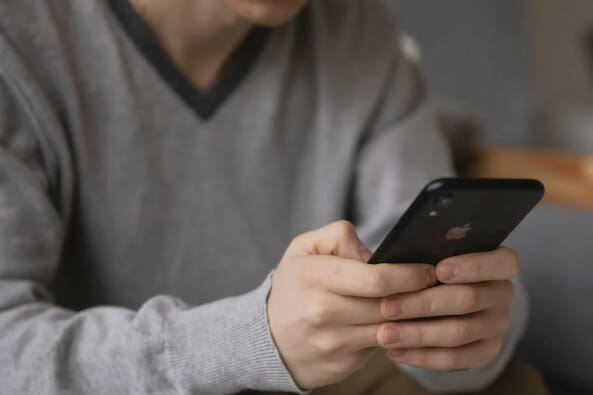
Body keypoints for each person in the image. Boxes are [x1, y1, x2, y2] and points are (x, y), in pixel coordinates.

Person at [0, 0, 546, 394]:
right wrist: (248, 342)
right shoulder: (20, 43)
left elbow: (450, 278)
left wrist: (470, 336)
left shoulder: (356, 25)